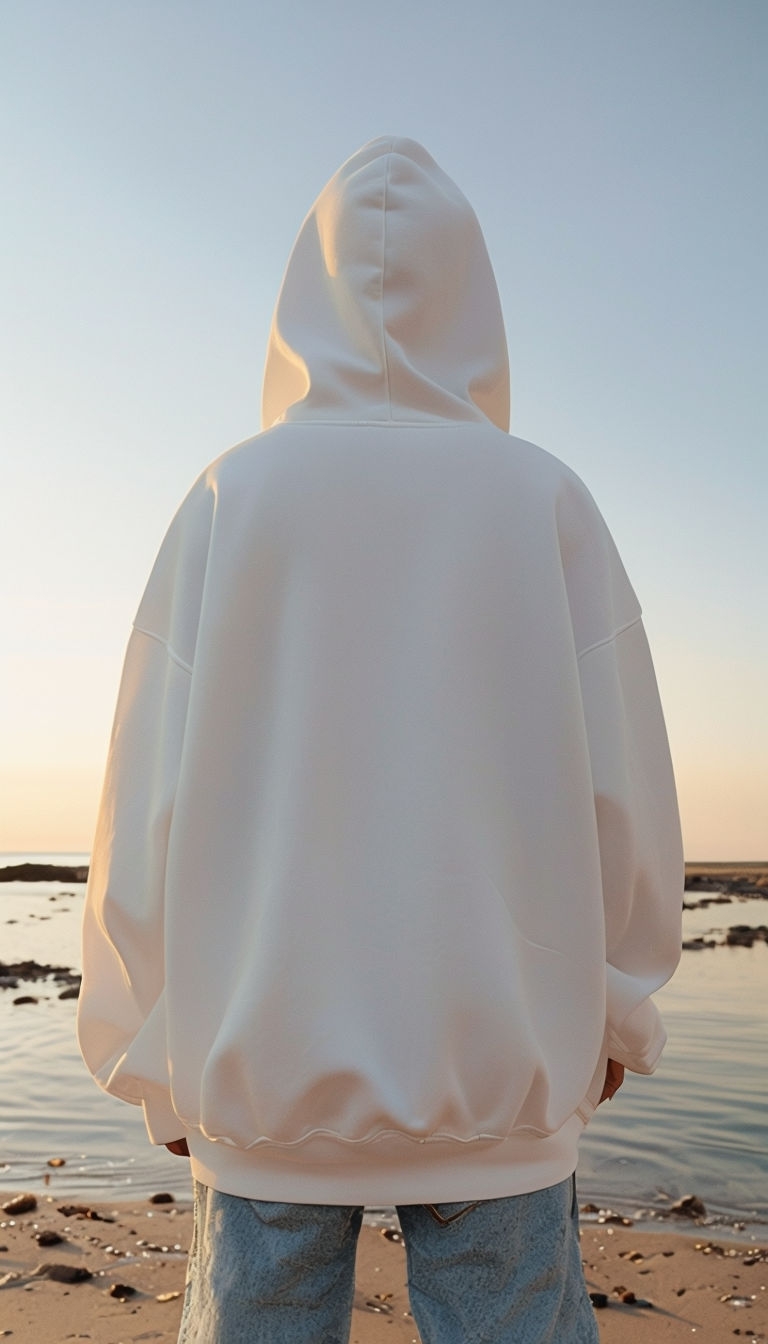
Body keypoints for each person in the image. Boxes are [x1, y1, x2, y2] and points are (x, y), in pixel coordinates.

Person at [77, 136, 683, 1343]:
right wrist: (617, 1009)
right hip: (500, 1066)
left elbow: (142, 803)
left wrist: (149, 1056)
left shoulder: (225, 501)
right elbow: (626, 792)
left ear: (305, 292)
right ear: (479, 297)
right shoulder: (545, 499)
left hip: (259, 1083)